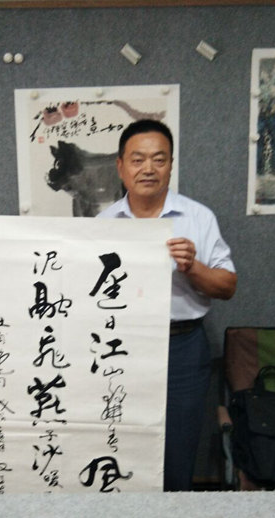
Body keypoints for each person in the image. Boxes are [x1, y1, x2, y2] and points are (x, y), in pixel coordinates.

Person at [98, 119, 237, 491]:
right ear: (121, 167)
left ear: (171, 165)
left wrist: (193, 267)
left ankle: (175, 514)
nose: (148, 168)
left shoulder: (198, 217)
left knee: (178, 448)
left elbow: (228, 286)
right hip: (121, 346)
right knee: (120, 443)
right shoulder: (103, 223)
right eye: (138, 159)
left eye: (158, 159)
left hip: (183, 346)